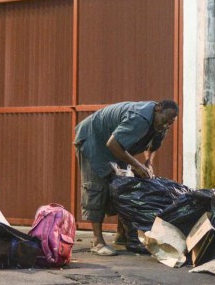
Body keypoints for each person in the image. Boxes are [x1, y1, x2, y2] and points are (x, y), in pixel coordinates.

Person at [73, 100, 178, 256]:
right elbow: (113, 144)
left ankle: (122, 235)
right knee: (97, 187)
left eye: (170, 123)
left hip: (118, 147)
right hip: (94, 140)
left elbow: (154, 146)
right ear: (158, 109)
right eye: (165, 121)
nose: (166, 125)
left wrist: (148, 162)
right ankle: (97, 241)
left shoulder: (163, 122)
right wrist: (137, 165)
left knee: (123, 187)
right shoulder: (139, 118)